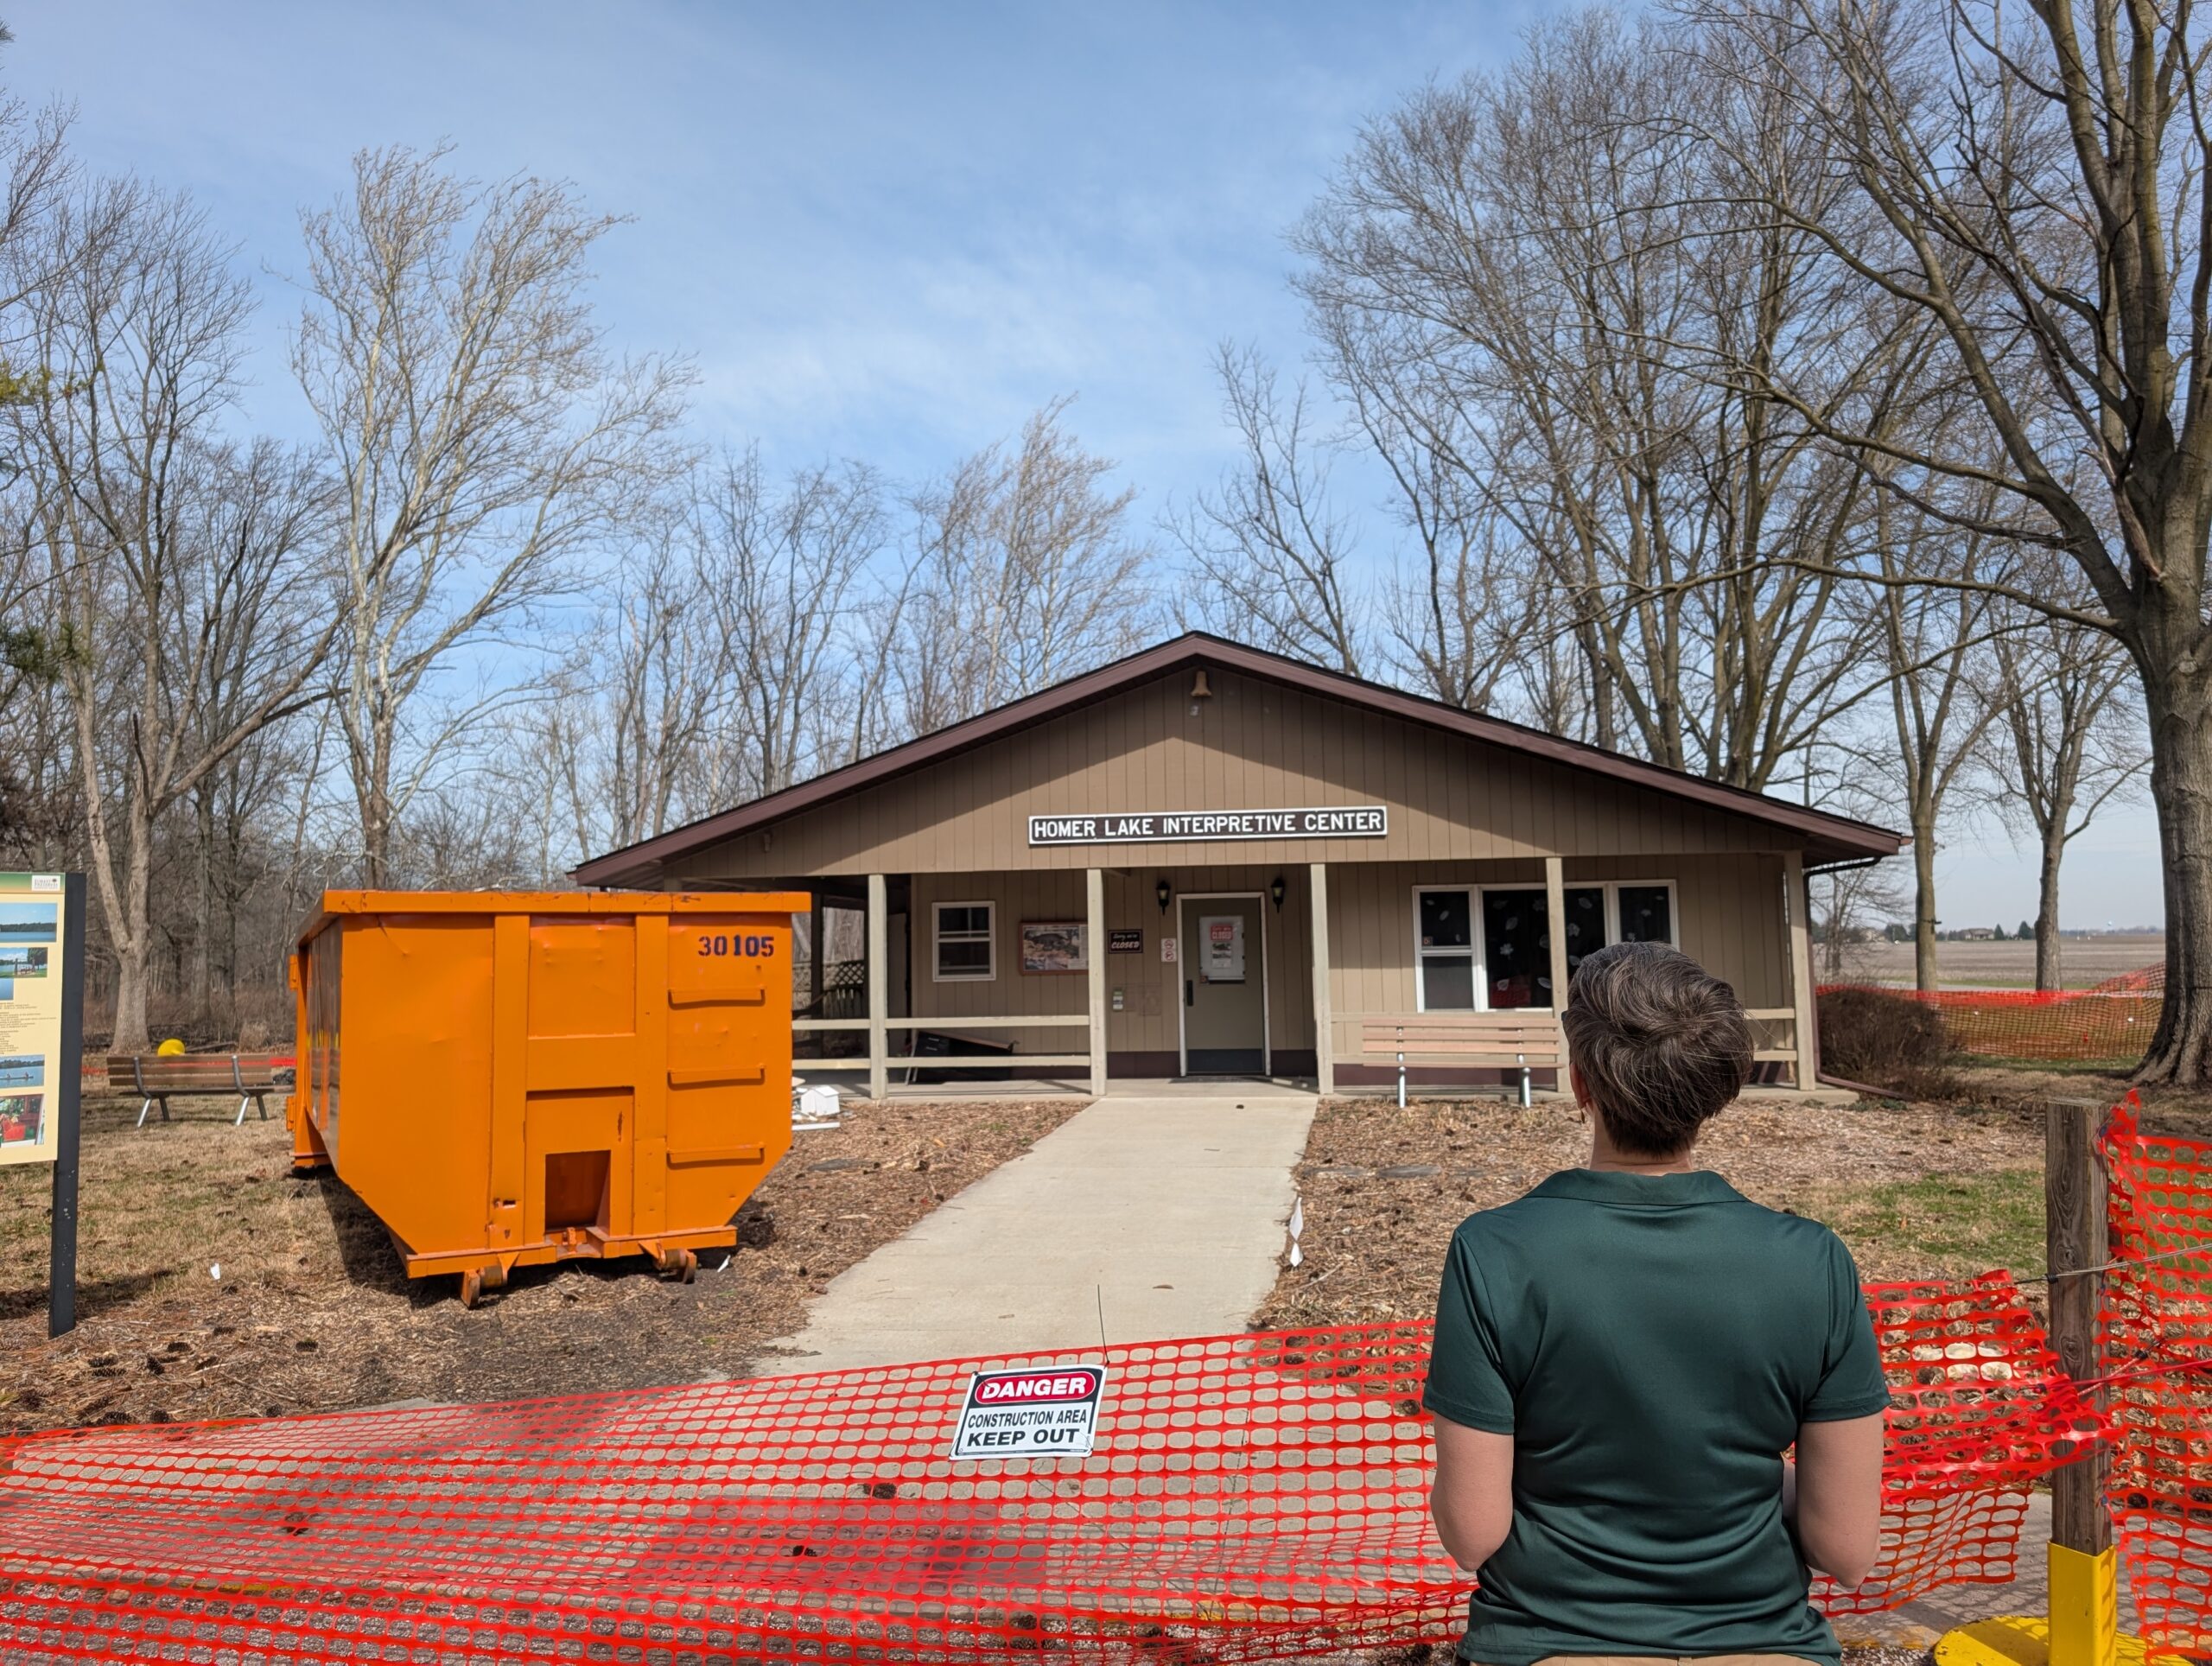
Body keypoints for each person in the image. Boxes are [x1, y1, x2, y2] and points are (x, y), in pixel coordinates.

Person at [1424, 940, 1889, 1666]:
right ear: (1716, 1091)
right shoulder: (1814, 1263)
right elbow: (1847, 1550)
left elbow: (1472, 1533)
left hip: (1545, 1648)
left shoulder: (1494, 1253)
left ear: (1581, 1083)